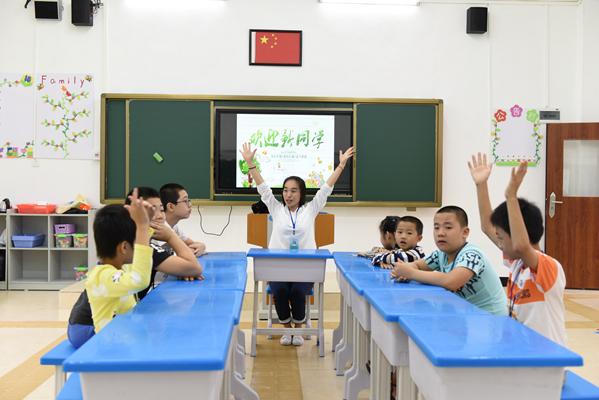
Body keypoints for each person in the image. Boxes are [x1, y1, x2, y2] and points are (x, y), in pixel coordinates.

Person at [240, 142, 355, 346]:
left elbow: (326, 188)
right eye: (285, 190)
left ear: (301, 193)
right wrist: (250, 163)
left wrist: (341, 166)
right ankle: (287, 330)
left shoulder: (311, 209)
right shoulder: (275, 208)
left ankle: (299, 330)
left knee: (298, 291)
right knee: (281, 290)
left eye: (293, 191)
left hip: (304, 266)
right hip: (277, 267)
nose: (288, 195)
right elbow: (263, 187)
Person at [469, 153, 566, 345]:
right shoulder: (516, 264)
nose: (499, 242)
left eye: (502, 237)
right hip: (524, 354)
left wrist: (511, 196)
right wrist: (481, 185)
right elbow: (488, 227)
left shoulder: (547, 267)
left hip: (547, 362)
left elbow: (522, 246)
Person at [391, 206, 507, 315]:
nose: (440, 233)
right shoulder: (441, 254)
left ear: (465, 232)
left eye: (448, 227)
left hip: (490, 318)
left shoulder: (472, 254)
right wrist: (405, 272)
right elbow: (417, 265)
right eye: (436, 227)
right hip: (466, 314)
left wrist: (410, 273)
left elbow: (451, 282)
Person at [160, 183, 206, 256]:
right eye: (185, 201)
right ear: (171, 206)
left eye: (189, 200)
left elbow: (193, 245)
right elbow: (187, 253)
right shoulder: (160, 227)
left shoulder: (174, 227)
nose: (190, 205)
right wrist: (192, 250)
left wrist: (202, 246)